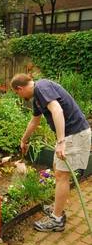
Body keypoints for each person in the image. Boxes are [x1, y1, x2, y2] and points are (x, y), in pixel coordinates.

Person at [10, 73, 91, 232]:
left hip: (73, 134)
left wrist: (61, 142)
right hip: (71, 134)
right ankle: (58, 209)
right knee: (59, 171)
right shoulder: (37, 97)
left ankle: (57, 219)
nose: (19, 96)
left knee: (62, 175)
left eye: (17, 93)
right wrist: (23, 140)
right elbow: (35, 121)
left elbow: (57, 110)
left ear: (19, 88)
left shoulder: (42, 86)